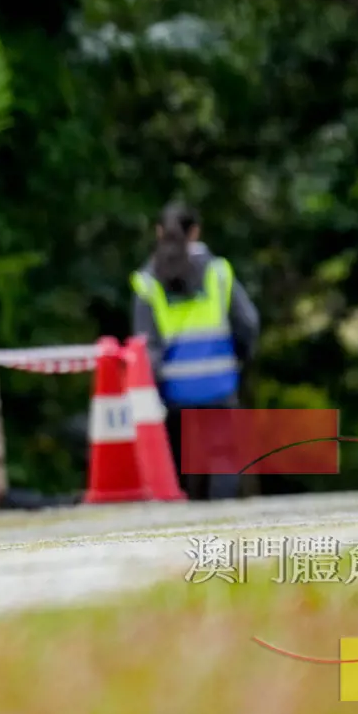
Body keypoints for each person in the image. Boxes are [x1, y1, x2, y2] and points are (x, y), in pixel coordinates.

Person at [131, 202, 261, 501]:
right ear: (196, 231)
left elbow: (144, 345)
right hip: (218, 385)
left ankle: (185, 537)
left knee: (183, 469)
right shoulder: (217, 272)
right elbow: (248, 323)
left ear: (159, 231)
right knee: (224, 459)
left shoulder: (147, 282)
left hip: (173, 392)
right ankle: (222, 531)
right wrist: (239, 358)